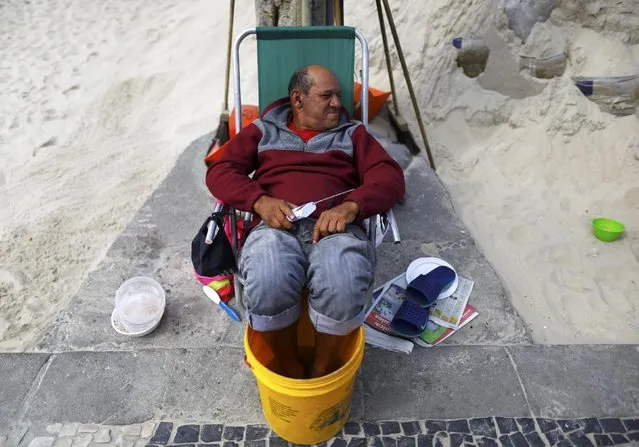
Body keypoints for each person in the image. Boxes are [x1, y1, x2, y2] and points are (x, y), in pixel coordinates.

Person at [206, 65, 405, 378]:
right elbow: (220, 171)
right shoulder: (263, 131)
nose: (338, 104)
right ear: (298, 100)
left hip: (335, 230)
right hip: (276, 228)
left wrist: (351, 206)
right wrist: (259, 201)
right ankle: (287, 363)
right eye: (327, 96)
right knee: (268, 271)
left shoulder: (352, 134)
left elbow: (389, 177)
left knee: (343, 276)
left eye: (338, 96)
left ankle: (323, 366)